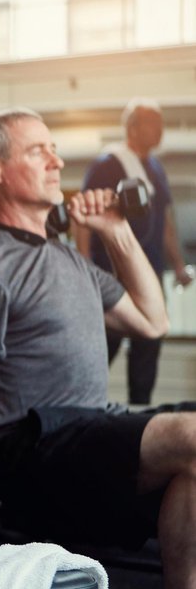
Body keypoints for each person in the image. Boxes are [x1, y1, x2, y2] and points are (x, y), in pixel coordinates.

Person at [0, 107, 196, 589]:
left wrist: (114, 229)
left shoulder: (71, 260)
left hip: (91, 433)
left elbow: (152, 320)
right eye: (38, 151)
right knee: (190, 433)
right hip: (32, 449)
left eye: (54, 149)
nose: (57, 161)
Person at [75, 98, 194, 404]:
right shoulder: (108, 163)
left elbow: (165, 221)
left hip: (150, 272)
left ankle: (140, 417)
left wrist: (178, 264)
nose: (160, 129)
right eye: (152, 122)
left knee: (149, 343)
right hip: (112, 274)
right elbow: (84, 215)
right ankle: (81, 408)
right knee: (103, 348)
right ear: (132, 127)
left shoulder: (155, 167)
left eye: (161, 122)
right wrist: (86, 264)